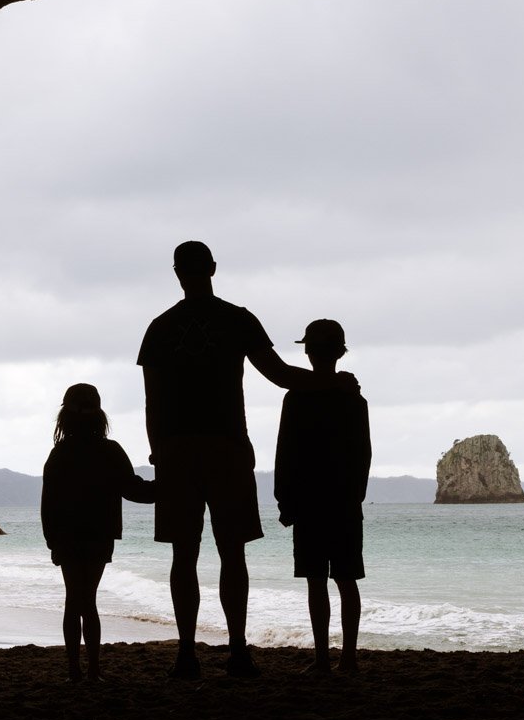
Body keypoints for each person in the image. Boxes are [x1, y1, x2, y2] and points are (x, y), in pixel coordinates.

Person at [137, 240, 357, 680]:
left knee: (184, 555)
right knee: (232, 553)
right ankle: (237, 649)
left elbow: (152, 402)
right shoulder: (236, 319)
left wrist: (159, 451)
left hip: (177, 449)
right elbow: (278, 374)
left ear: (177, 272)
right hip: (227, 447)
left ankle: (186, 652)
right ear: (213, 268)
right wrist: (331, 383)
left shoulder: (160, 328)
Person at [274, 318, 371, 674]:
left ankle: (322, 658)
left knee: (317, 580)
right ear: (340, 352)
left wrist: (284, 498)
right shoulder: (352, 398)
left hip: (310, 500)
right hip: (343, 500)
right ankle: (347, 657)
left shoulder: (296, 397)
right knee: (346, 580)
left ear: (309, 351)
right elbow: (364, 454)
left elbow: (285, 451)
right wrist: (355, 497)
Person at [41, 383, 155, 682]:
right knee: (87, 600)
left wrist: (52, 540)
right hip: (99, 534)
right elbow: (134, 490)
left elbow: (48, 503)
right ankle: (92, 671)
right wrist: (168, 483)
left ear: (65, 415)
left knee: (73, 600)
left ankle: (74, 671)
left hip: (67, 536)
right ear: (99, 414)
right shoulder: (110, 451)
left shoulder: (60, 453)